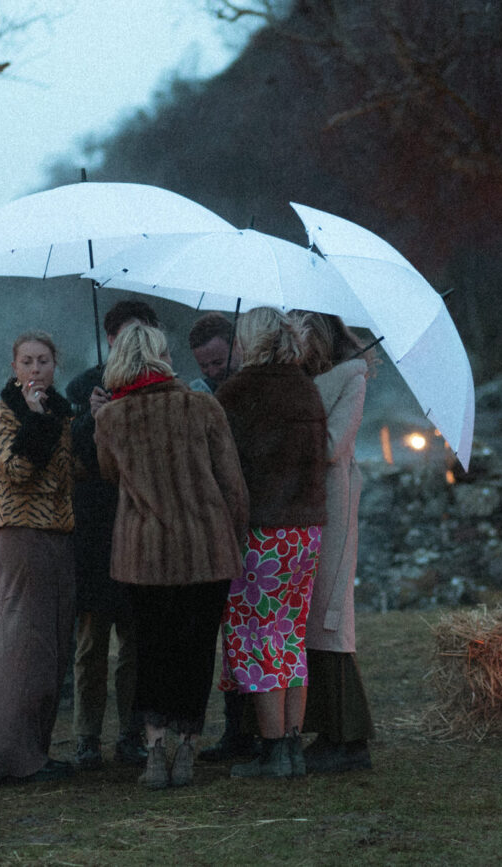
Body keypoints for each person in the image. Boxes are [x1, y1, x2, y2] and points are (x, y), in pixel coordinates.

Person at [93, 323, 248, 789]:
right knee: (196, 652)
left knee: (152, 652)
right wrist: (232, 540)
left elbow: (109, 475)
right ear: (162, 356)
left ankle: (155, 751)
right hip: (205, 551)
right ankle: (187, 749)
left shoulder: (112, 419)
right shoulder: (202, 406)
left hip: (145, 556)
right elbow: (232, 485)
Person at [215, 307, 328, 779]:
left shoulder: (239, 391)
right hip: (307, 530)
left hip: (261, 531)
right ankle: (293, 747)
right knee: (290, 636)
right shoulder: (306, 387)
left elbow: (222, 463)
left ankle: (272, 750)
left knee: (256, 639)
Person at [0, 331, 77, 784]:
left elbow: (72, 472)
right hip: (22, 535)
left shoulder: (61, 414)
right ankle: (3, 758)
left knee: (50, 650)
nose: (36, 370)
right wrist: (34, 419)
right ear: (14, 367)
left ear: (56, 366)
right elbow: (15, 471)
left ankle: (34, 751)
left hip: (59, 535)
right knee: (19, 646)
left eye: (44, 361)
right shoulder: (1, 415)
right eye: (27, 362)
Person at [65, 300, 161, 770]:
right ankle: (86, 737)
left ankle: (131, 733)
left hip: (140, 525)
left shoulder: (160, 391)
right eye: (126, 334)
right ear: (109, 339)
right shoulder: (83, 386)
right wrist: (90, 416)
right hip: (95, 528)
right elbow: (73, 458)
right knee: (90, 643)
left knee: (137, 641)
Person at [298, 313, 376, 773]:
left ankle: (347, 735)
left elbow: (332, 444)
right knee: (306, 613)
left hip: (333, 500)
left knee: (329, 612)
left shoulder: (352, 378)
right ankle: (325, 728)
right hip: (303, 501)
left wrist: (289, 426)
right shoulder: (304, 378)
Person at [189, 310, 254, 762]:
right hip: (212, 527)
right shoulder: (197, 397)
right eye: (205, 365)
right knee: (229, 636)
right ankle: (235, 730)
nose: (213, 372)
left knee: (252, 631)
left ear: (236, 348)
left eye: (218, 361)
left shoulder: (251, 391)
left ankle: (252, 728)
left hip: (253, 523)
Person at [187, 311, 237, 394]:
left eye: (218, 363)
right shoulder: (198, 393)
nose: (213, 373)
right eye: (204, 366)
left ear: (236, 344)